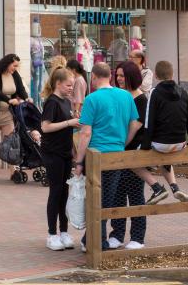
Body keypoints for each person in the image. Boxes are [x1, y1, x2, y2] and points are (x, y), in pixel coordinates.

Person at [73, 62, 142, 252]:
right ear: (110, 77)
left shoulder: (92, 99)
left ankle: (97, 241)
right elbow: (135, 124)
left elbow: (85, 133)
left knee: (97, 199)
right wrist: (122, 143)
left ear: (94, 78)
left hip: (97, 155)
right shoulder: (126, 96)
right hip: (117, 154)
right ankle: (93, 239)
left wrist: (79, 161)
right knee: (108, 197)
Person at [140, 60, 188, 202]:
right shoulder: (183, 92)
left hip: (160, 144)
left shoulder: (154, 93)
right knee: (165, 156)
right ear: (172, 74)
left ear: (155, 76)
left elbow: (149, 121)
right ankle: (175, 188)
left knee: (132, 160)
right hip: (180, 143)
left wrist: (145, 146)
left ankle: (157, 188)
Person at [108, 61, 148, 250]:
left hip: (132, 153)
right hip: (117, 153)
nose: (119, 79)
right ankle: (116, 234)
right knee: (117, 195)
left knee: (135, 195)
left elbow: (135, 126)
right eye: (118, 75)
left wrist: (120, 145)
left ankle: (138, 237)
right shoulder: (119, 96)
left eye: (123, 75)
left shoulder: (141, 100)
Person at [40, 67, 79, 251]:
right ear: (58, 84)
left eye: (72, 85)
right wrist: (69, 122)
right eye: (68, 85)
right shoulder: (52, 102)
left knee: (65, 192)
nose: (71, 88)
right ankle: (51, 233)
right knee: (55, 191)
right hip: (53, 153)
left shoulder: (66, 101)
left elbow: (68, 127)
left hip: (65, 152)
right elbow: (45, 127)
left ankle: (63, 231)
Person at [0, 53, 29, 178]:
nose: (15, 68)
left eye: (17, 66)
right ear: (8, 63)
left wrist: (27, 98)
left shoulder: (14, 74)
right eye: (14, 66)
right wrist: (8, 100)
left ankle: (13, 171)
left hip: (8, 113)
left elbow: (20, 89)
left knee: (11, 141)